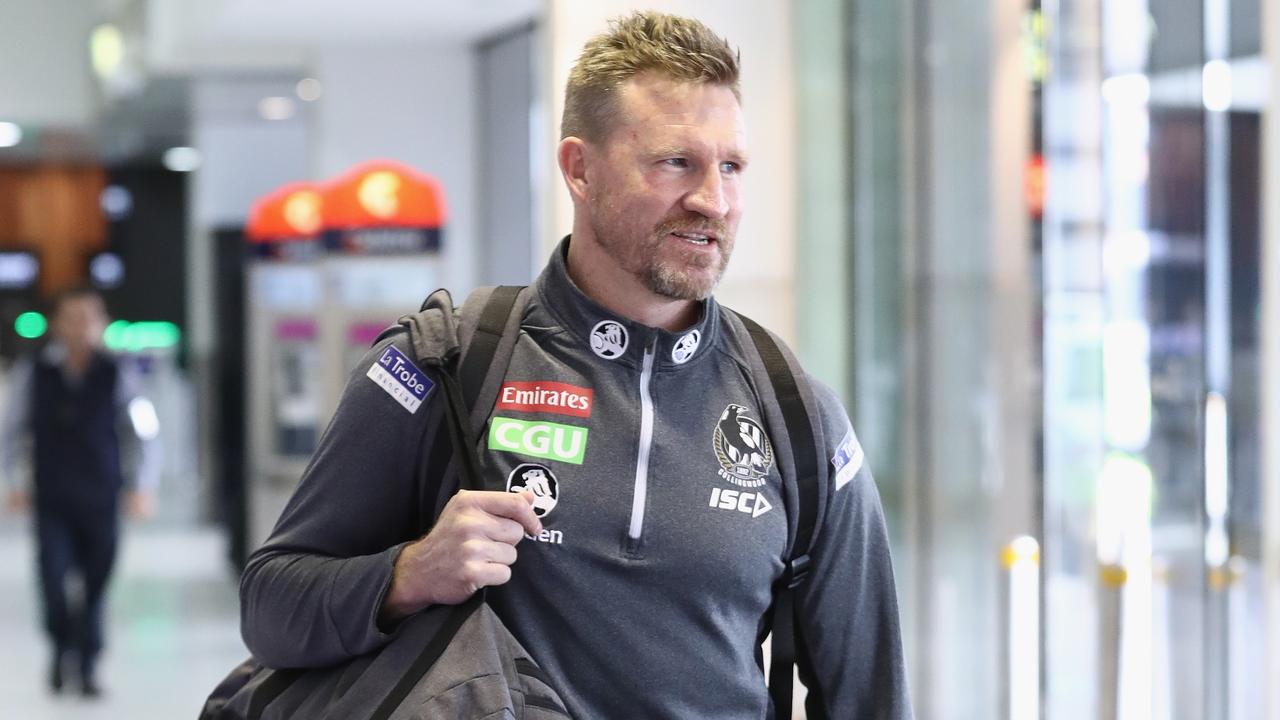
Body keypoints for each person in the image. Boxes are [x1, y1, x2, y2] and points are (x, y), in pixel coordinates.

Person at [241, 11, 912, 718]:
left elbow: (870, 695)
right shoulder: (443, 363)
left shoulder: (797, 418)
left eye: (732, 166)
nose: (713, 200)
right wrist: (409, 574)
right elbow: (271, 604)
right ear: (579, 169)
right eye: (674, 161)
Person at [1, 287, 160, 697]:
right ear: (57, 324)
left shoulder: (118, 372)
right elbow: (10, 431)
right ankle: (60, 648)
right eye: (72, 318)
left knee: (95, 584)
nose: (81, 327)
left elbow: (142, 431)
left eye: (89, 318)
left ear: (102, 324)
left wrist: (143, 484)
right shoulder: (34, 372)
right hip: (51, 496)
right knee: (53, 581)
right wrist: (12, 483)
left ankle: (87, 664)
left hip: (102, 494)